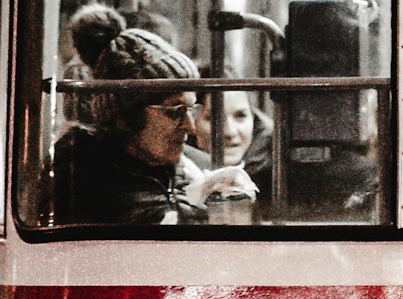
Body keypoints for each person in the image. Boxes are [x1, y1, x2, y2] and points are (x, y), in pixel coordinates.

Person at [43, 30, 258, 227]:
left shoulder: (195, 167)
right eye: (175, 111)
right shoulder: (81, 182)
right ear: (125, 120)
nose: (190, 127)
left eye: (191, 110)